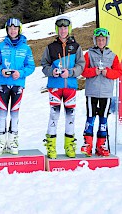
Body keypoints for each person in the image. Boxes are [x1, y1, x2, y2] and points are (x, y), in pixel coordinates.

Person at [41, 16, 85, 159]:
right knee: (54, 115)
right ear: (56, 29)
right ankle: (51, 146)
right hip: (55, 86)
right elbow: (44, 65)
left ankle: (69, 146)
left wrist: (71, 72)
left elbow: (81, 65)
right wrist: (51, 72)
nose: (63, 30)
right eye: (60, 28)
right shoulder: (50, 47)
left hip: (70, 86)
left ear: (69, 29)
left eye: (65, 28)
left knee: (70, 116)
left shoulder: (76, 47)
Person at [0, 18, 35, 155]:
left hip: (18, 85)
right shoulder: (0, 46)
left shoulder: (26, 48)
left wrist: (20, 73)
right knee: (2, 113)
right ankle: (0, 141)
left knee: (15, 114)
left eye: (15, 28)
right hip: (4, 83)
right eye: (10, 28)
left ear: (19, 30)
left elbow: (31, 66)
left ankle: (13, 140)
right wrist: (1, 70)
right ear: (7, 30)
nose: (13, 30)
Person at [80, 27, 122, 157]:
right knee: (90, 117)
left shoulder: (113, 56)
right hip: (92, 92)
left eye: (103, 39)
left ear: (106, 40)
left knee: (103, 118)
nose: (101, 42)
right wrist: (94, 71)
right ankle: (88, 143)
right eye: (98, 39)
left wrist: (107, 72)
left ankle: (101, 145)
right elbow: (83, 70)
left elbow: (119, 72)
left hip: (106, 93)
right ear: (95, 40)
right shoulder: (88, 54)